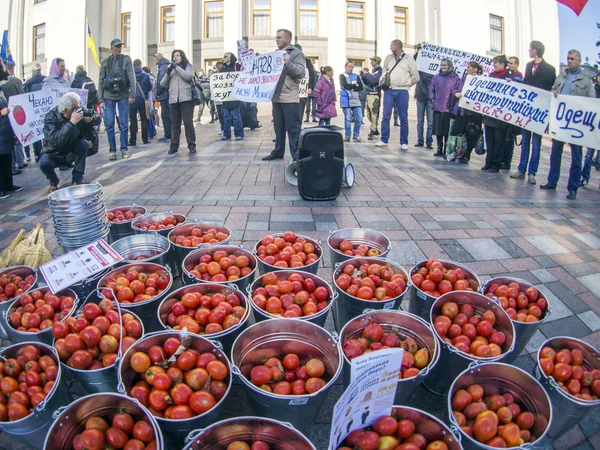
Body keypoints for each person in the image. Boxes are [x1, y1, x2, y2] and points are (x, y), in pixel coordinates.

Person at [542, 49, 595, 200]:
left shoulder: (586, 80)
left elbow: (591, 102)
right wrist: (553, 91)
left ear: (578, 61)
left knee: (576, 156)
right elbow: (553, 89)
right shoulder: (562, 76)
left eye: (572, 59)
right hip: (560, 122)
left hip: (576, 124)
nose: (569, 61)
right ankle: (552, 181)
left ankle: (573, 187)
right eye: (568, 58)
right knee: (555, 153)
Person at [510, 41, 556, 185]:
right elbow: (525, 84)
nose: (529, 50)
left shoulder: (549, 69)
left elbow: (551, 88)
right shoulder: (528, 66)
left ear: (535, 50)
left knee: (536, 143)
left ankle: (532, 172)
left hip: (540, 113)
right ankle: (521, 169)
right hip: (527, 110)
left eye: (530, 48)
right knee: (525, 143)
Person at [39, 92, 101, 193]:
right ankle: (53, 182)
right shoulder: (51, 117)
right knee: (43, 162)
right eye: (74, 109)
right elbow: (55, 140)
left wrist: (90, 120)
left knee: (83, 144)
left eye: (78, 107)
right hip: (54, 153)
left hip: (71, 150)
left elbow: (96, 117)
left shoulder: (79, 111)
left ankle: (77, 178)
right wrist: (71, 123)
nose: (77, 110)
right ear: (65, 110)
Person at [263, 29, 306, 161]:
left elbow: (301, 73)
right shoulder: (275, 54)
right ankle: (278, 151)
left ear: (288, 39)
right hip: (276, 96)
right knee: (278, 127)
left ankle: (296, 155)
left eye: (279, 37)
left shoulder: (297, 54)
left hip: (289, 96)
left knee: (293, 128)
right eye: (276, 37)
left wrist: (289, 62)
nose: (276, 39)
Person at [376, 39, 419, 149]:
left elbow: (415, 76)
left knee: (403, 117)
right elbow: (384, 72)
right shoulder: (388, 58)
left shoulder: (408, 59)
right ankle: (384, 139)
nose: (390, 47)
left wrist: (407, 83)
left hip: (402, 90)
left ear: (398, 46)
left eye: (392, 45)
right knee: (386, 116)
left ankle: (404, 142)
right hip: (389, 90)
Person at [99, 38, 136, 161]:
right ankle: (112, 150)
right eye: (116, 46)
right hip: (108, 95)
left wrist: (132, 94)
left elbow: (131, 76)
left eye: (120, 46)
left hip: (123, 94)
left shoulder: (126, 60)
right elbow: (100, 81)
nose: (119, 48)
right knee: (109, 124)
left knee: (124, 124)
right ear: (112, 48)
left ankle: (124, 149)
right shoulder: (105, 63)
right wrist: (101, 99)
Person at [160, 49, 196, 154]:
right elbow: (163, 84)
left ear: (182, 57)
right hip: (173, 100)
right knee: (175, 124)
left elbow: (189, 76)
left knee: (188, 123)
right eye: (174, 56)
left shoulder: (187, 66)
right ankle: (174, 146)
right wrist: (167, 72)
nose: (175, 57)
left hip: (186, 99)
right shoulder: (171, 70)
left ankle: (192, 145)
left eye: (178, 55)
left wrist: (177, 68)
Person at [480, 55, 511, 172]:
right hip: (489, 113)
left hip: (500, 116)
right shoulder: (491, 76)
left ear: (502, 64)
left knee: (499, 140)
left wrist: (510, 83)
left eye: (496, 63)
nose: (494, 65)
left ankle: (496, 164)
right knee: (490, 140)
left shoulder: (508, 77)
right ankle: (488, 162)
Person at [452, 62, 484, 164]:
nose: (467, 69)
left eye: (469, 67)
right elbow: (455, 88)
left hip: (473, 112)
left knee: (471, 134)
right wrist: (456, 93)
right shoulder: (463, 78)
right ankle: (458, 152)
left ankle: (467, 155)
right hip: (462, 110)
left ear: (475, 69)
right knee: (458, 131)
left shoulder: (480, 80)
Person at [429, 59, 460, 157]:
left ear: (450, 66)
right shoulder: (436, 77)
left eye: (445, 65)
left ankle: (446, 149)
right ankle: (439, 148)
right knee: (438, 130)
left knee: (447, 130)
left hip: (448, 109)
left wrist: (454, 104)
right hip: (438, 107)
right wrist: (433, 99)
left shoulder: (455, 78)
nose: (443, 67)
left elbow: (457, 91)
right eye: (442, 65)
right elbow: (430, 88)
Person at [501, 57, 525, 170]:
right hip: (505, 111)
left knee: (508, 138)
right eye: (508, 63)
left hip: (512, 112)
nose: (508, 65)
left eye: (511, 63)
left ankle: (507, 162)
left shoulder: (518, 76)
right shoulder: (507, 75)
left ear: (516, 65)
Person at [0, 88, 21, 199]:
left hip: (5, 134)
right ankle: (1, 188)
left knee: (6, 161)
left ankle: (8, 185)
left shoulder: (2, 92)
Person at [24, 64, 46, 162]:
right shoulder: (46, 80)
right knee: (46, 130)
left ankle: (38, 153)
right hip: (45, 109)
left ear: (32, 71)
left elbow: (26, 98)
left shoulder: (28, 83)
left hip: (34, 111)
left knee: (36, 131)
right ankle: (48, 150)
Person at [413, 43, 434, 149]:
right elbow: (415, 59)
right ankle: (420, 140)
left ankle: (429, 141)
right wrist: (419, 50)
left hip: (430, 98)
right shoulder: (420, 68)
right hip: (420, 96)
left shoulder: (434, 71)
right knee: (420, 121)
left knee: (430, 122)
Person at [128, 59, 151, 147]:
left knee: (133, 121)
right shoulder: (145, 75)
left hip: (132, 100)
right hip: (142, 100)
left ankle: (133, 140)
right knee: (144, 120)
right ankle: (145, 139)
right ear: (140, 65)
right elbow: (149, 88)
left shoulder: (129, 75)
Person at [220, 52, 243, 141]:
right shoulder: (223, 68)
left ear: (230, 58)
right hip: (226, 97)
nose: (223, 58)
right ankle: (226, 134)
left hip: (235, 96)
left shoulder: (237, 67)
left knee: (236, 116)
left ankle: (239, 134)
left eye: (225, 56)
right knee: (226, 116)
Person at [339, 61, 364, 142]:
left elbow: (360, 87)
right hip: (346, 99)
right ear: (345, 67)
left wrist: (352, 87)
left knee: (359, 118)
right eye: (349, 66)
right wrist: (354, 86)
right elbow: (345, 85)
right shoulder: (342, 75)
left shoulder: (356, 76)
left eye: (352, 67)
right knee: (348, 118)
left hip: (356, 99)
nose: (351, 68)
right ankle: (347, 135)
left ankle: (356, 135)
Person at [361, 56, 383, 140]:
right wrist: (363, 76)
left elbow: (373, 81)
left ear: (376, 61)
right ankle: (375, 128)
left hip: (375, 95)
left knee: (374, 113)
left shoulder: (379, 71)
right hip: (369, 93)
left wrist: (366, 74)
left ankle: (372, 131)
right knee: (368, 114)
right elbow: (367, 82)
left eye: (372, 61)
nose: (371, 63)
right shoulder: (374, 71)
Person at [154, 53, 172, 142]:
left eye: (155, 58)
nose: (154, 60)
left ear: (158, 58)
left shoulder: (162, 67)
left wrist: (157, 92)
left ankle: (168, 134)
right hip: (167, 93)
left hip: (165, 94)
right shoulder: (165, 65)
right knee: (168, 114)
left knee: (165, 115)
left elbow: (161, 82)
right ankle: (170, 134)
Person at [295, 45, 315, 123]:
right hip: (291, 92)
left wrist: (310, 87)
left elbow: (311, 75)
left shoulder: (307, 61)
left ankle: (298, 130)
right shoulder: (289, 61)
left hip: (302, 92)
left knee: (300, 113)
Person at [142, 66, 157, 140]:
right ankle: (153, 131)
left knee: (149, 116)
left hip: (148, 99)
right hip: (152, 98)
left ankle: (151, 132)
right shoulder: (152, 78)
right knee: (151, 115)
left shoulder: (147, 78)